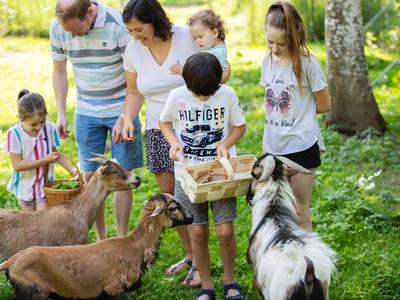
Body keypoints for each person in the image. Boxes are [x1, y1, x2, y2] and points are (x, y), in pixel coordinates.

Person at [120, 0, 200, 286]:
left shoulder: (186, 38)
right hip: (156, 129)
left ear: (154, 20)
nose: (135, 35)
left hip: (192, 127)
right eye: (130, 30)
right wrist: (128, 117)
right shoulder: (133, 50)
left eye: (139, 29)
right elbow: (133, 92)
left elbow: (210, 73)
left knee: (193, 196)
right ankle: (192, 257)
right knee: (171, 198)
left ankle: (201, 262)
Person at [50, 0, 143, 240]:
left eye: (76, 30)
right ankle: (102, 241)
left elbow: (134, 76)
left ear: (90, 12)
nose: (73, 36)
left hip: (119, 108)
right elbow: (59, 71)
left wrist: (126, 116)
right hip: (86, 110)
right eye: (68, 32)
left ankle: (120, 239)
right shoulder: (58, 28)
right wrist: (61, 112)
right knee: (91, 178)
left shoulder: (118, 26)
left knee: (123, 175)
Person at [160, 52, 246, 300]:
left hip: (219, 174)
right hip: (187, 176)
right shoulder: (177, 96)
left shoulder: (227, 95)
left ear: (219, 81)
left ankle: (230, 281)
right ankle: (206, 286)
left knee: (225, 232)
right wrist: (174, 143)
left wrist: (226, 144)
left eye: (208, 94)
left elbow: (240, 126)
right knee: (197, 232)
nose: (203, 98)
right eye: (198, 95)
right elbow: (165, 123)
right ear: (187, 82)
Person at [261, 1, 331, 230]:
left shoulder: (308, 65)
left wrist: (298, 116)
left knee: (300, 210)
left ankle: (307, 264)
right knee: (276, 210)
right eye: (270, 41)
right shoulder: (267, 59)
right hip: (272, 147)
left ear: (295, 36)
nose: (275, 48)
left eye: (281, 43)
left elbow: (324, 105)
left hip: (301, 146)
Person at [4, 89, 76, 212]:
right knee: (30, 222)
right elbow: (17, 165)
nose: (38, 127)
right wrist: (43, 161)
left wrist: (71, 170)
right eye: (33, 124)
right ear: (20, 118)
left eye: (42, 122)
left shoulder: (49, 128)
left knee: (43, 220)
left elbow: (55, 154)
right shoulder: (14, 134)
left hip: (44, 183)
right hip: (25, 185)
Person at [170, 9, 230, 82]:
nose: (197, 41)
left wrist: (183, 71)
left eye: (200, 37)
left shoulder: (215, 54)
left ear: (214, 33)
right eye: (195, 38)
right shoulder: (214, 48)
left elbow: (201, 76)